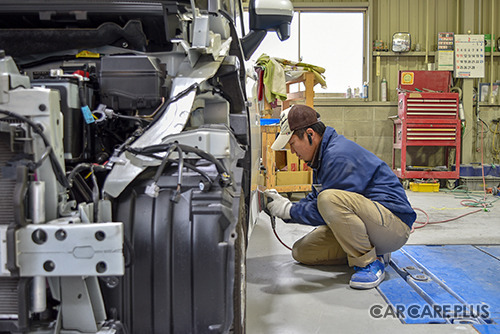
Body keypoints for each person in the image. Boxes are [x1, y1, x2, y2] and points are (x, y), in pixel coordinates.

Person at [265, 104, 416, 289]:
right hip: (372, 224)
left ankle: (369, 263)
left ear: (310, 134)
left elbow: (325, 208)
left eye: (293, 144)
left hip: (393, 226)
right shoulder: (320, 158)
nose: (293, 152)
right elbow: (315, 199)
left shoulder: (338, 155)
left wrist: (288, 211)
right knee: (302, 251)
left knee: (329, 200)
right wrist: (286, 207)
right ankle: (375, 251)